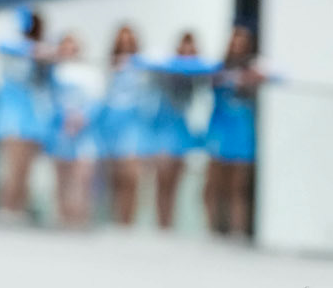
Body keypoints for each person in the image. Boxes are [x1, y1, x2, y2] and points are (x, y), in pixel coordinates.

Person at [0, 7, 54, 216]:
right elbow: (3, 47)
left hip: (33, 114)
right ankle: (5, 210)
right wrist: (37, 51)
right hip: (11, 112)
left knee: (26, 169)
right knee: (12, 167)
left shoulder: (43, 52)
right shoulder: (14, 44)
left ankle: (18, 212)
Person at [204, 25, 267, 238]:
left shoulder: (254, 72)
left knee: (238, 186)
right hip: (220, 130)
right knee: (214, 184)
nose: (237, 48)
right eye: (234, 43)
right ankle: (213, 229)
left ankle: (237, 230)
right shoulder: (218, 70)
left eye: (242, 44)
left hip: (242, 132)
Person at [148, 31, 208, 230]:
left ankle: (170, 225)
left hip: (183, 131)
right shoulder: (166, 68)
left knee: (175, 182)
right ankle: (161, 224)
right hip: (164, 129)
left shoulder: (197, 74)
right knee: (162, 180)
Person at [97, 24, 155, 226]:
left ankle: (128, 222)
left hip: (134, 125)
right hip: (111, 125)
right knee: (114, 177)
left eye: (129, 41)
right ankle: (115, 221)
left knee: (131, 176)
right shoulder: (109, 67)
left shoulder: (143, 67)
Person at [48, 33, 100, 230]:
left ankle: (80, 222)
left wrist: (81, 118)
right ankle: (62, 222)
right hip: (61, 132)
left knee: (82, 180)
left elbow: (97, 102)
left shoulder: (90, 73)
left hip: (84, 134)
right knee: (62, 180)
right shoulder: (54, 72)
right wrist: (64, 119)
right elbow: (49, 100)